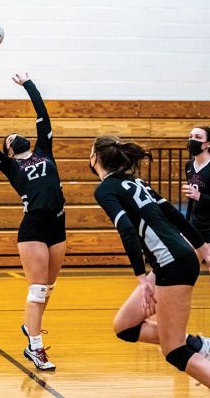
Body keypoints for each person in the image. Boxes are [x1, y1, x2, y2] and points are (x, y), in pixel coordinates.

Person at [0, 73, 66, 371]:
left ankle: (30, 326)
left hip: (58, 227)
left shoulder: (45, 151)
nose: (13, 137)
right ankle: (35, 348)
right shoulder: (10, 166)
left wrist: (29, 86)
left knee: (49, 287)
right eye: (8, 140)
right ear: (9, 151)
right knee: (36, 291)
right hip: (33, 229)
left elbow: (43, 116)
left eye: (14, 136)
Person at [89, 135, 210, 387]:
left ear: (96, 158)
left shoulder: (105, 190)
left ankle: (195, 349)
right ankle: (200, 346)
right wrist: (202, 249)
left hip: (172, 264)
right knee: (125, 327)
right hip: (175, 259)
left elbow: (126, 229)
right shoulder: (135, 181)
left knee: (174, 351)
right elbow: (176, 217)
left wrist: (141, 278)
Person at [182, 126, 210, 262]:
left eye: (198, 137)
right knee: (190, 267)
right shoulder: (189, 165)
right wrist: (186, 224)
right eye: (190, 136)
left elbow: (197, 196)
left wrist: (200, 196)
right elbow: (191, 200)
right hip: (195, 224)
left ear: (207, 143)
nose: (192, 140)